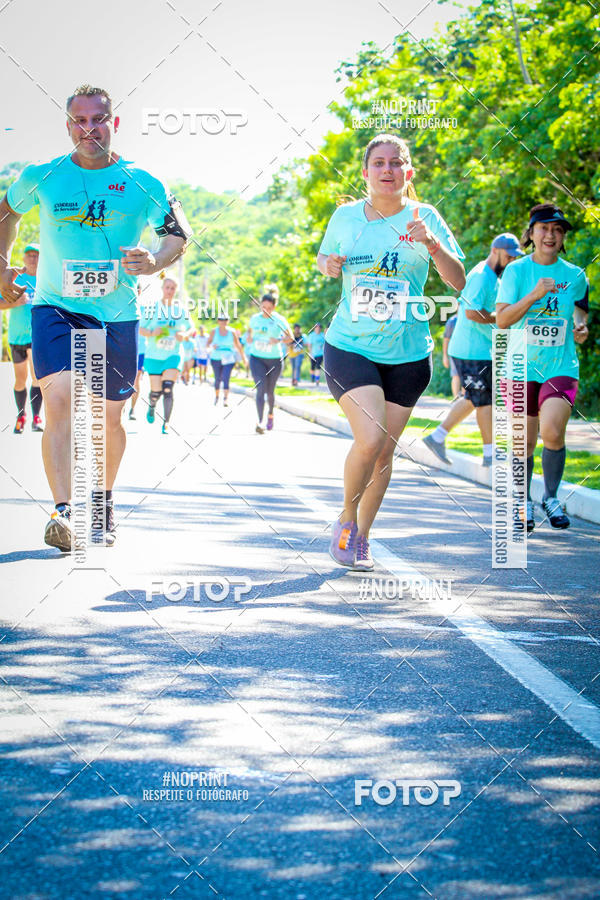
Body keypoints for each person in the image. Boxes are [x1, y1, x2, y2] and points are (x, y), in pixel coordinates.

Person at [0, 85, 191, 550]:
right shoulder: (42, 176)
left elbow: (177, 235)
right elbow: (7, 213)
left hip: (117, 315)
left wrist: (155, 260)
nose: (89, 129)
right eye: (80, 121)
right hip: (55, 307)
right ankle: (64, 512)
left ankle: (102, 502)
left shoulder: (143, 181)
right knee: (60, 398)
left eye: (98, 119)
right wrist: (2, 262)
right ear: (68, 126)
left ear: (114, 123)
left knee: (108, 417)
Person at [317, 134, 465, 570]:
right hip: (350, 346)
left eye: (396, 163)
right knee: (370, 438)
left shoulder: (426, 216)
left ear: (408, 171)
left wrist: (432, 244)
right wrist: (328, 264)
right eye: (379, 163)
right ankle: (346, 520)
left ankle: (362, 536)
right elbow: (325, 258)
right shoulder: (345, 216)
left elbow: (459, 281)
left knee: (384, 453)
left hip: (408, 354)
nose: (387, 170)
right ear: (365, 172)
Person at [496, 203, 589, 532]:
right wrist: (534, 295)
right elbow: (502, 319)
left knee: (551, 431)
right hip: (519, 367)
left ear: (562, 237)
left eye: (558, 230)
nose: (551, 235)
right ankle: (522, 501)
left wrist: (581, 328)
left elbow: (579, 315)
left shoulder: (575, 275)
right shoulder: (516, 272)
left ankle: (550, 497)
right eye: (544, 228)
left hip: (560, 366)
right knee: (524, 440)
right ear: (531, 233)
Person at [424, 233, 524, 466]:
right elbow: (471, 312)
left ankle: (437, 437)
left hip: (480, 351)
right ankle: (489, 454)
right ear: (495, 250)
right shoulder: (481, 276)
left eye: (514, 257)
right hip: (471, 350)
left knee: (475, 398)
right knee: (482, 399)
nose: (511, 260)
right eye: (508, 256)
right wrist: (500, 318)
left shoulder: (493, 278)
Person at [0, 243, 44, 433]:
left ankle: (36, 418)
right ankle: (21, 416)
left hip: (37, 336)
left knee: (37, 377)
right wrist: (15, 302)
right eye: (29, 255)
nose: (33, 259)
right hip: (17, 336)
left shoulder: (45, 279)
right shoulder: (15, 278)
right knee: (20, 379)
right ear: (24, 258)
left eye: (36, 255)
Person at [140, 276, 192, 433]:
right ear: (162, 288)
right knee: (156, 392)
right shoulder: (152, 308)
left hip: (173, 355)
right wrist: (151, 332)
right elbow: (140, 328)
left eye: (173, 288)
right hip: (154, 356)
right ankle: (152, 405)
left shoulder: (181, 310)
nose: (170, 291)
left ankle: (166, 423)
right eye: (167, 287)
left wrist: (184, 335)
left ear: (176, 290)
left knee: (168, 388)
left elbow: (191, 328)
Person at [247, 293, 293, 433]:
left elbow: (290, 338)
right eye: (263, 307)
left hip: (274, 360)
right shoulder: (255, 319)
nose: (266, 310)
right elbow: (249, 333)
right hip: (257, 358)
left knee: (270, 391)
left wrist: (278, 340)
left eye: (269, 308)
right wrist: (249, 338)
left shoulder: (279, 319)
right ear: (260, 305)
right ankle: (260, 421)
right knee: (260, 388)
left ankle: (270, 414)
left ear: (274, 307)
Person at [206, 315, 246, 406]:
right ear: (218, 321)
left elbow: (238, 345)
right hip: (216, 358)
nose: (223, 322)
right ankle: (217, 396)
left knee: (226, 377)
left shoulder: (232, 332)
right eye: (221, 320)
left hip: (228, 358)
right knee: (217, 378)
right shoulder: (214, 331)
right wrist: (212, 346)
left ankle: (225, 399)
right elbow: (208, 343)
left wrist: (244, 358)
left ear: (228, 321)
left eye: (225, 320)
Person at [442, 313, 460, 400]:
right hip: (454, 352)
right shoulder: (452, 321)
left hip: (468, 353)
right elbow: (446, 339)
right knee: (456, 375)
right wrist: (445, 356)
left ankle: (464, 400)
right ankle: (456, 398)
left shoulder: (469, 320)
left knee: (466, 376)